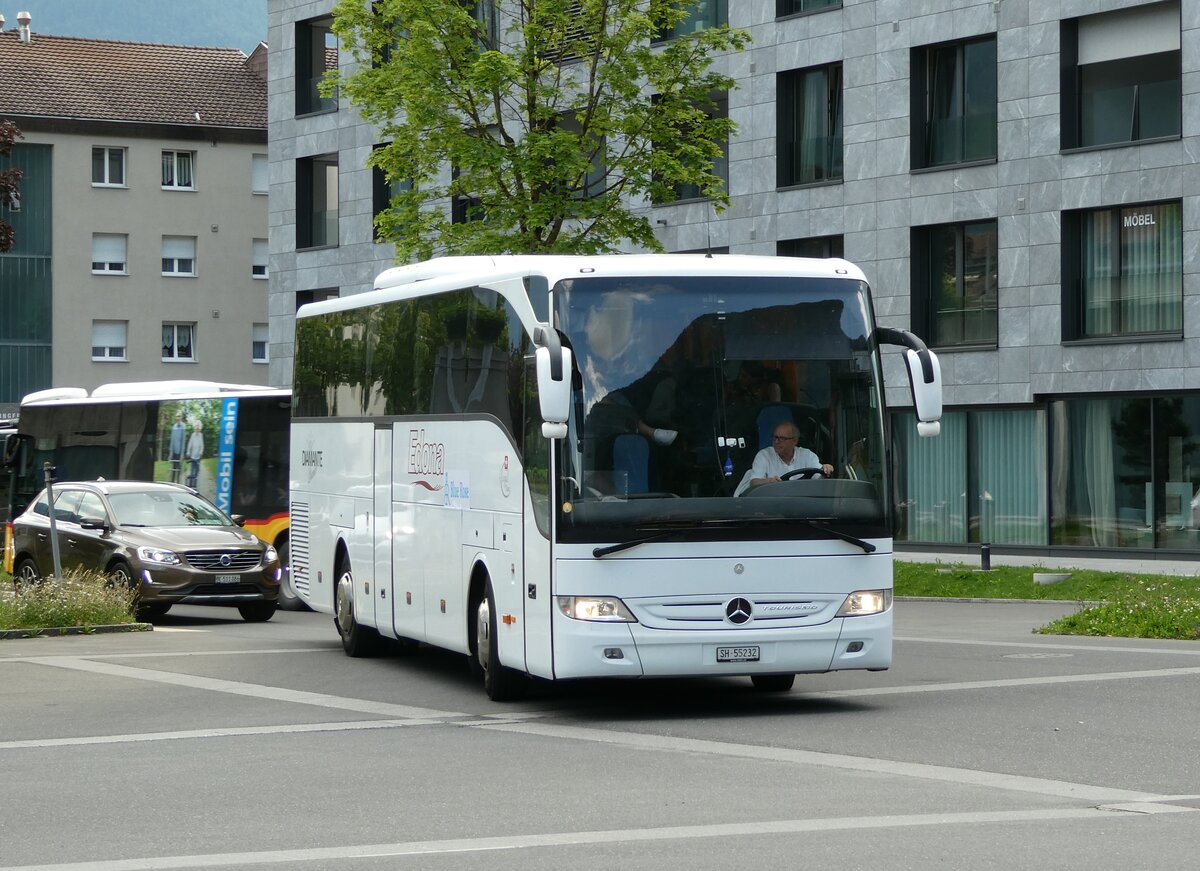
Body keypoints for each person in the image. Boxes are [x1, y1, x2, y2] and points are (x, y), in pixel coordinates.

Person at [734, 421, 832, 496]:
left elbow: (819, 477)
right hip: (772, 509)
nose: (776, 442)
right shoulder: (764, 455)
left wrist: (826, 469)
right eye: (775, 437)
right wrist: (769, 482)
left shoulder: (807, 455)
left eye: (782, 439)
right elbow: (754, 482)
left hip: (804, 508)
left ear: (794, 441)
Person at [168, 411, 186, 483]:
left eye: (179, 416)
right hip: (174, 451)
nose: (177, 418)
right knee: (173, 469)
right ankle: (172, 483)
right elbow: (172, 440)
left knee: (178, 469)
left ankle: (178, 483)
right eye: (176, 416)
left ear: (181, 417)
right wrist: (170, 453)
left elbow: (183, 440)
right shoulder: (174, 427)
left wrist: (182, 454)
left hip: (179, 452)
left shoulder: (183, 426)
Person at [185, 422, 204, 489]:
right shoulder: (192, 435)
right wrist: (188, 452)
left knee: (197, 471)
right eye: (196, 427)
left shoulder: (201, 435)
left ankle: (194, 485)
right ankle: (191, 485)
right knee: (192, 470)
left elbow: (202, 445)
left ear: (200, 428)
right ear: (195, 428)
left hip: (198, 456)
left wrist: (201, 452)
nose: (197, 428)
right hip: (193, 455)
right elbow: (190, 444)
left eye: (198, 427)